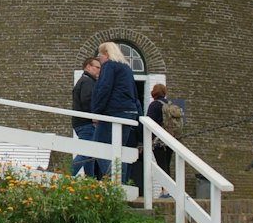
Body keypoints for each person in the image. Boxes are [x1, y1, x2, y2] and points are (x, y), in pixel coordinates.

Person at [90, 42, 142, 185]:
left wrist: (97, 112)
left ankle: (112, 182)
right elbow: (134, 93)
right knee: (119, 151)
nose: (99, 58)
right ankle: (121, 186)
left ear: (106, 54)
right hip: (128, 112)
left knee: (99, 147)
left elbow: (104, 88)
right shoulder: (126, 68)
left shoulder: (109, 66)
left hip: (114, 112)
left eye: (100, 55)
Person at [71, 56, 106, 177]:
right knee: (86, 152)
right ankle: (65, 176)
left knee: (89, 153)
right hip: (85, 123)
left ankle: (90, 182)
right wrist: (94, 116)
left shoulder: (85, 80)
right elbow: (87, 100)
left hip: (81, 122)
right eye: (97, 67)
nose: (99, 71)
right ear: (88, 67)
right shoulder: (87, 81)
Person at [147, 81, 184, 194]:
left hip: (159, 141)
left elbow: (149, 122)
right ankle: (167, 190)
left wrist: (147, 140)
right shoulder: (170, 104)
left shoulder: (154, 105)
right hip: (172, 139)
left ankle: (167, 191)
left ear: (154, 93)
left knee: (162, 166)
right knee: (166, 164)